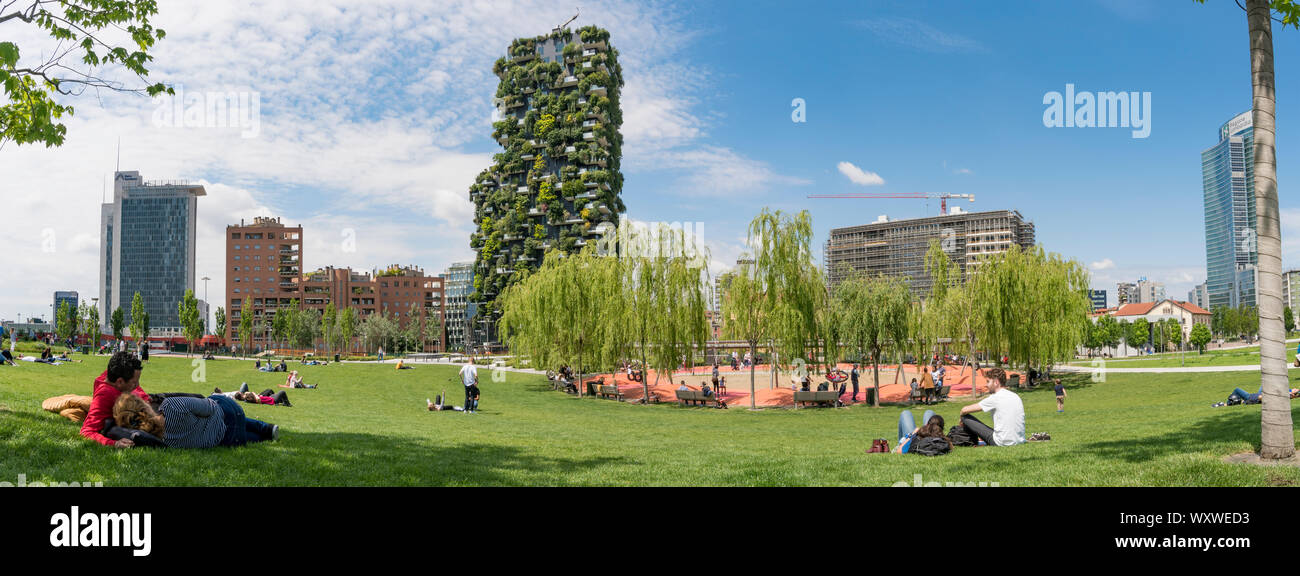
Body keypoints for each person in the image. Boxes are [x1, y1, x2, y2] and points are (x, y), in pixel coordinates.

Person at [113, 391, 279, 448]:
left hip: (228, 440)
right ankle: (265, 428)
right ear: (144, 406)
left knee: (247, 436)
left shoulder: (161, 441)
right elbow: (210, 407)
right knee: (215, 400)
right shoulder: (171, 405)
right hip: (231, 414)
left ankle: (263, 435)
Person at [82, 351, 151, 448]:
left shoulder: (111, 374)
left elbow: (137, 389)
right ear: (119, 382)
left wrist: (145, 398)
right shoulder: (104, 396)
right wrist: (114, 443)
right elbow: (87, 431)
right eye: (134, 383)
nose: (137, 385)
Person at [957, 367, 1025, 447]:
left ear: (996, 382)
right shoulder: (1015, 396)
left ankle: (969, 440)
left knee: (965, 417)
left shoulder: (996, 398)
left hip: (1001, 442)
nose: (986, 385)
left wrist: (961, 418)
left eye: (988, 382)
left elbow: (964, 410)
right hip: (1019, 440)